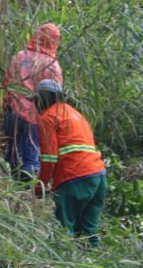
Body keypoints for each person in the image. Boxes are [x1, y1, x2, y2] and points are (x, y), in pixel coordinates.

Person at [34, 79, 107, 246]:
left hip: (75, 177)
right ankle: (91, 267)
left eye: (36, 101)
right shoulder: (75, 114)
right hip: (99, 177)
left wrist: (41, 186)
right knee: (88, 233)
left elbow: (49, 158)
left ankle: (62, 266)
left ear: (42, 98)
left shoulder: (48, 117)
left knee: (63, 231)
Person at [2, 23, 63, 180]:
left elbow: (7, 82)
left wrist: (7, 103)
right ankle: (27, 195)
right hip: (36, 117)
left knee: (12, 156)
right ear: (54, 42)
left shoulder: (20, 56)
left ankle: (8, 191)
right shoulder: (52, 65)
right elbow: (56, 94)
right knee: (31, 159)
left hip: (13, 111)